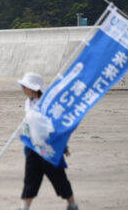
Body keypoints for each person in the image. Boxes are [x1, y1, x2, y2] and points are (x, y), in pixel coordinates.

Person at [17, 72, 78, 210]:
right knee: (30, 178)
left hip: (49, 148)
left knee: (59, 178)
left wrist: (63, 146)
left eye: (24, 86)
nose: (23, 89)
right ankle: (24, 207)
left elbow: (55, 126)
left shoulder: (48, 104)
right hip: (32, 147)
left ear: (33, 88)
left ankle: (72, 204)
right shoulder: (29, 102)